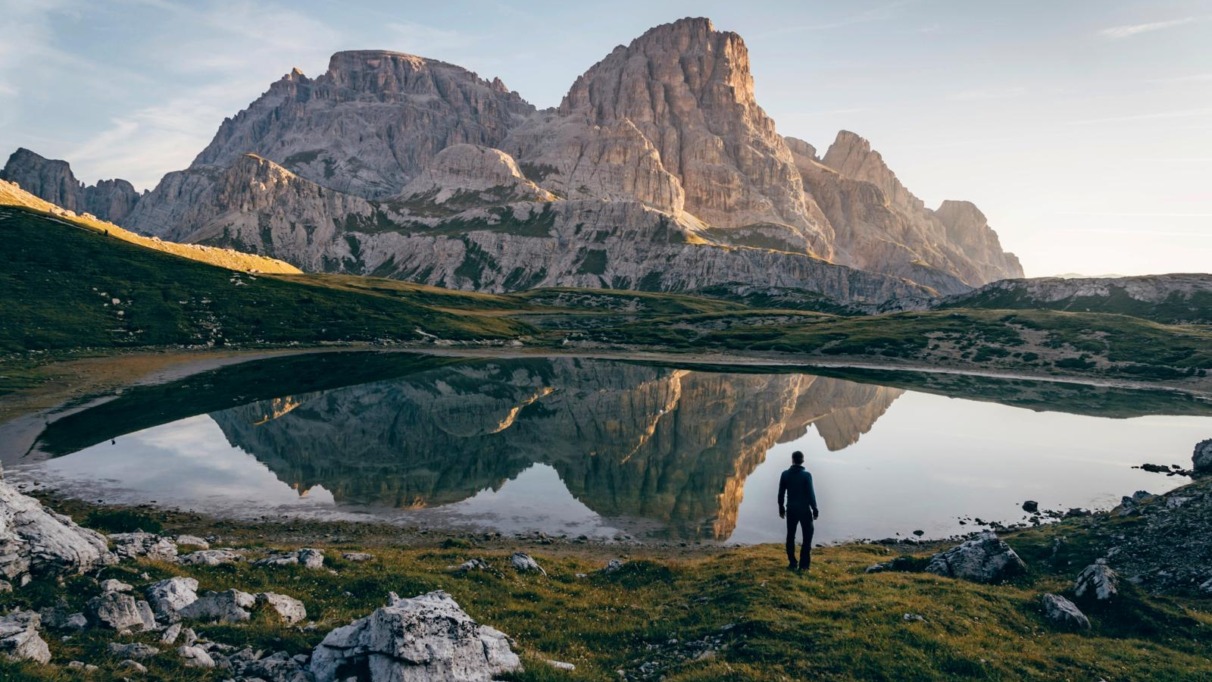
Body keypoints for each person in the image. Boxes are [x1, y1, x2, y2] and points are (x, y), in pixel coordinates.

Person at [778, 450, 819, 572]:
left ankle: (792, 563)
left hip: (790, 509)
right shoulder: (806, 475)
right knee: (807, 536)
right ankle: (804, 565)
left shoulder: (785, 474)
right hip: (804, 510)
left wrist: (781, 507)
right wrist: (815, 508)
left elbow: (781, 493)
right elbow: (811, 494)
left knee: (790, 536)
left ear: (792, 460)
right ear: (802, 461)